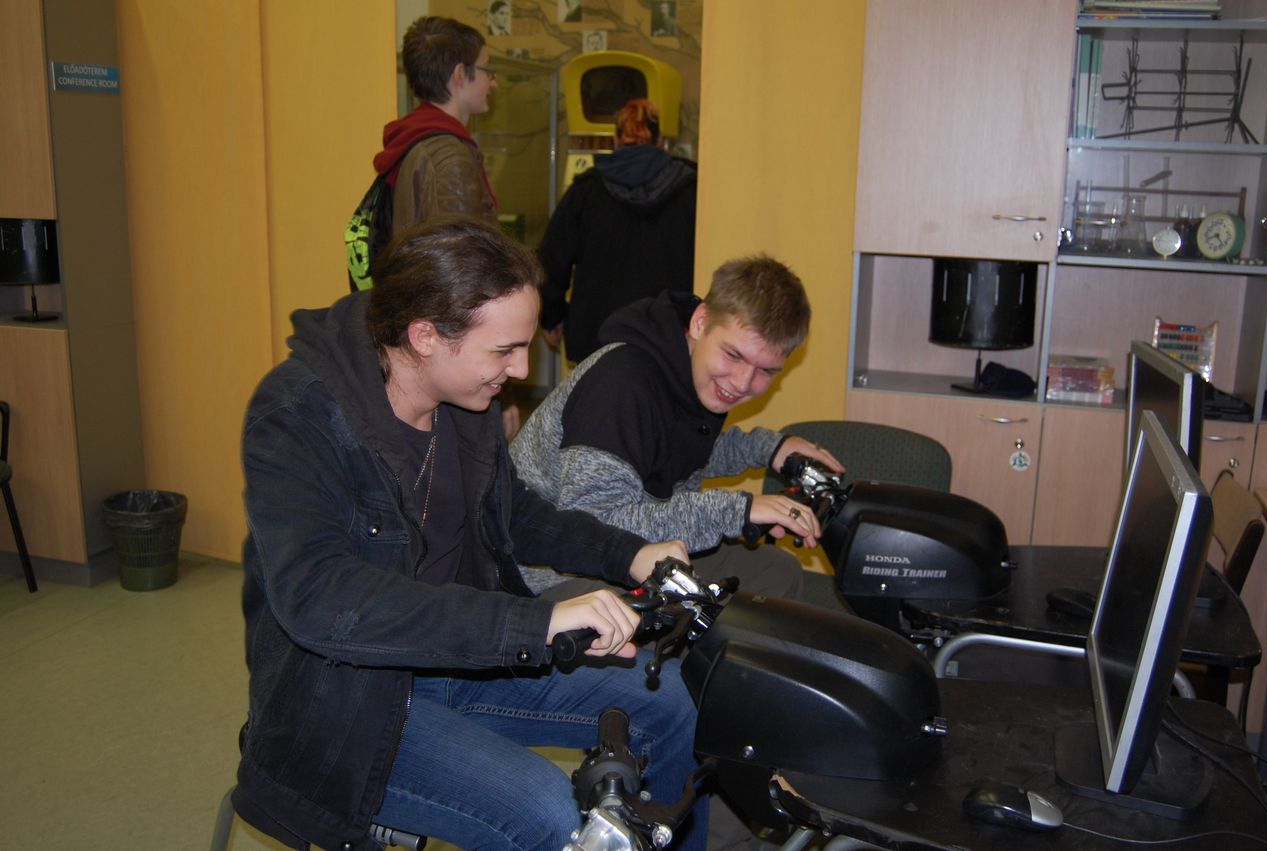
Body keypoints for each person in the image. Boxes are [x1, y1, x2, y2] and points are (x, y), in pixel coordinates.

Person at [234, 216, 708, 851]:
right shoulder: (297, 416)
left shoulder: (464, 402)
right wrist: (535, 624)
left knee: (671, 703)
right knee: (549, 814)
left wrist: (631, 555)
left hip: (452, 655)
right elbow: (322, 598)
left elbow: (514, 514)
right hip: (347, 707)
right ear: (425, 335)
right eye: (504, 350)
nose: (520, 369)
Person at [511, 255, 845, 602]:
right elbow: (594, 529)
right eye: (734, 355)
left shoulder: (692, 373)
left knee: (777, 573)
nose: (742, 382)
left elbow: (679, 450)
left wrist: (770, 450)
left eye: (766, 371)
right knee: (669, 613)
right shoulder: (621, 383)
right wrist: (737, 511)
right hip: (552, 573)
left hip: (634, 549)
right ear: (700, 322)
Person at [373, 15, 521, 439]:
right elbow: (465, 279)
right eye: (487, 70)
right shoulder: (448, 158)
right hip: (451, 351)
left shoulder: (414, 141)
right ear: (460, 74)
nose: (492, 82)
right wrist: (500, 389)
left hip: (424, 342)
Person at [538, 98, 697, 364]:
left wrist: (552, 317)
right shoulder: (691, 189)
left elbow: (551, 260)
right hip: (669, 337)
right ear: (660, 140)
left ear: (615, 140)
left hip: (596, 337)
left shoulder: (586, 190)